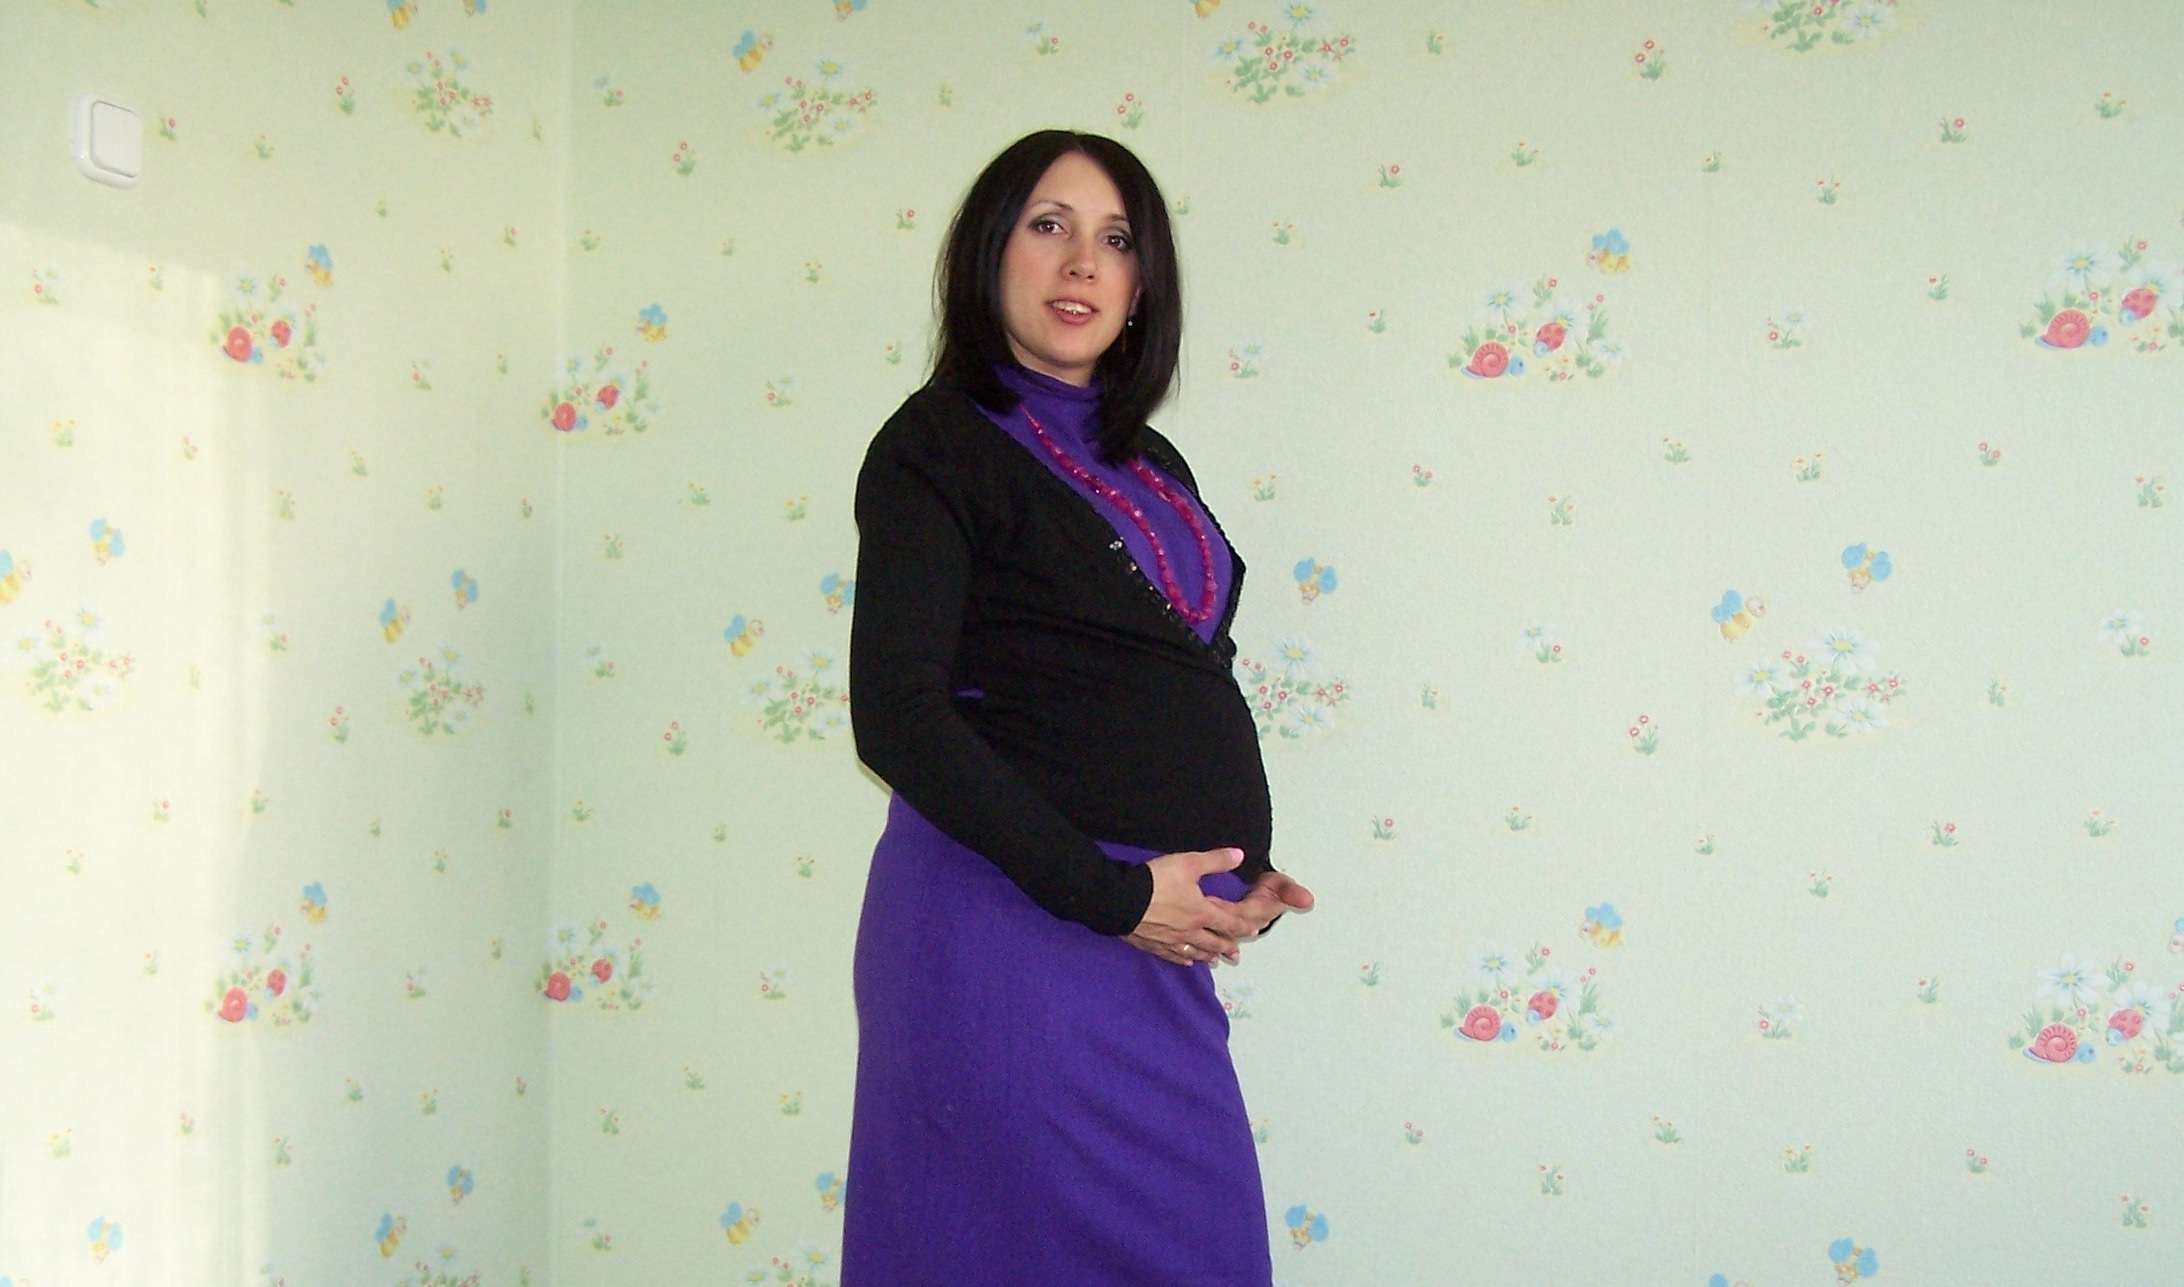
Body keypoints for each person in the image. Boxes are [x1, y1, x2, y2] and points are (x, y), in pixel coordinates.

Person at [843, 129, 1315, 1286]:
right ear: (989, 252)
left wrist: (1234, 884)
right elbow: (898, 714)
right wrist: (1113, 895)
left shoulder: (1153, 461)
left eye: (1116, 240)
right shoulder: (935, 444)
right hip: (1009, 926)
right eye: (1048, 225)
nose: (1082, 263)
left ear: (1143, 283)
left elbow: (1162, 677)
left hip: (1147, 943)